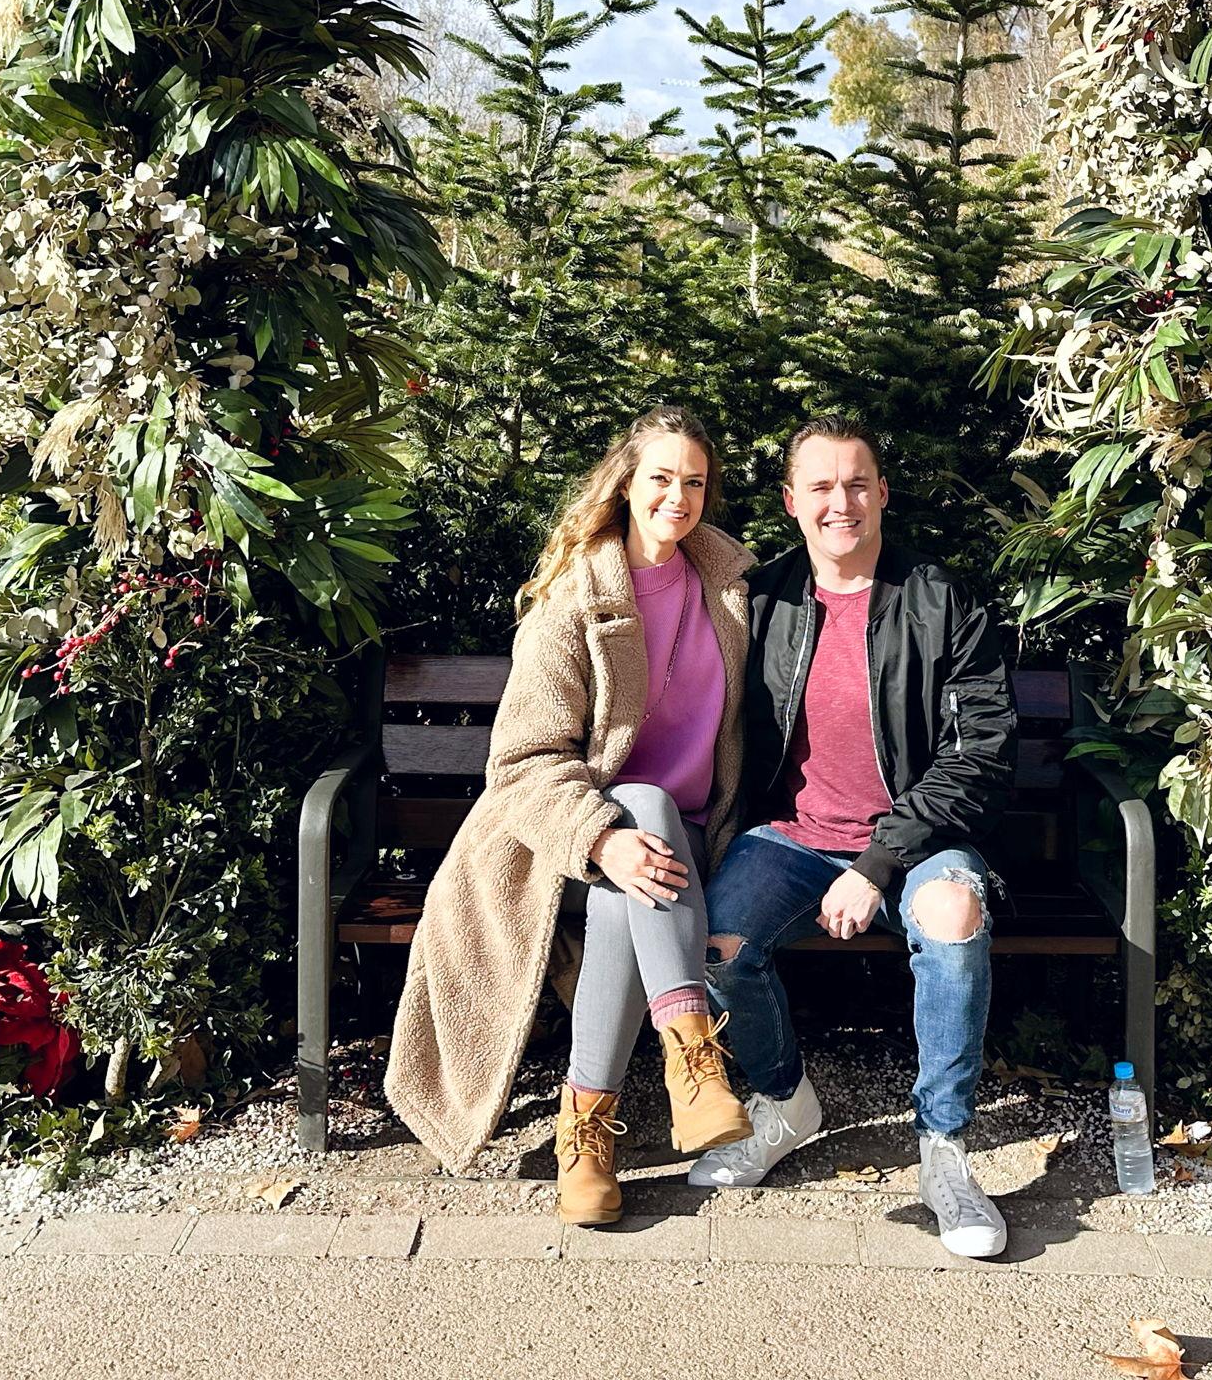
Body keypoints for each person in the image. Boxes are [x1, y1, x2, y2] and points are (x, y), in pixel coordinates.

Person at [384, 406, 756, 1224]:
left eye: (695, 482)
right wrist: (599, 837)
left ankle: (585, 1136)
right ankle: (693, 1062)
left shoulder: (727, 589)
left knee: (645, 845)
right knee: (638, 826)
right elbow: (522, 762)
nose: (678, 497)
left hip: (690, 839)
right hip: (562, 840)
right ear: (625, 484)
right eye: (662, 478)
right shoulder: (575, 598)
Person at [690, 414, 1018, 1258]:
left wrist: (877, 862)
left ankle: (943, 1151)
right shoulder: (761, 601)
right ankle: (783, 1104)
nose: (842, 502)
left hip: (919, 839)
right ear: (792, 502)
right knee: (717, 940)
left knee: (952, 914)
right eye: (823, 487)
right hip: (795, 838)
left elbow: (981, 751)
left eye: (857, 484)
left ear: (882, 494)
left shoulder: (940, 601)